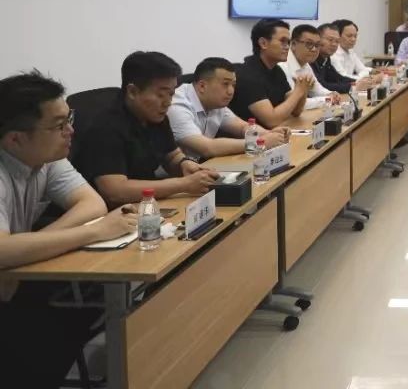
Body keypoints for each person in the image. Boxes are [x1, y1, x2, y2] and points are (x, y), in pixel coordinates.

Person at [0, 71, 139, 388]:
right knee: (50, 322)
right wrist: (94, 232)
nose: (71, 131)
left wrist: (20, 255)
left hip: (8, 281)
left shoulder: (46, 157)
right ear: (15, 139)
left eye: (69, 119)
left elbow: (92, 204)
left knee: (85, 301)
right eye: (59, 125)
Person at [76, 51, 220, 207]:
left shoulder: (156, 116)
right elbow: (115, 191)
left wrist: (185, 164)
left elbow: (171, 156)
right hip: (112, 212)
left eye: (171, 94)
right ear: (132, 92)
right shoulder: (105, 127)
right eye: (161, 95)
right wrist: (184, 184)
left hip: (147, 203)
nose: (168, 103)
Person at [168, 57, 287, 159]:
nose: (231, 91)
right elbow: (207, 148)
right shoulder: (177, 105)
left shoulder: (214, 102)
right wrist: (258, 143)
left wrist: (271, 134)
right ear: (202, 86)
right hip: (176, 175)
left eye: (233, 85)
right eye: (225, 84)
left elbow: (242, 127)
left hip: (202, 166)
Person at [231, 18, 314, 126]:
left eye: (288, 42)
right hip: (247, 135)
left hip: (271, 133)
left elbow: (296, 111)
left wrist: (303, 89)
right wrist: (299, 91)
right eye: (283, 41)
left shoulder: (277, 70)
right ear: (263, 43)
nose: (287, 47)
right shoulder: (247, 74)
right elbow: (271, 121)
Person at [280, 24, 339, 110]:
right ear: (293, 44)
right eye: (309, 44)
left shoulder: (305, 64)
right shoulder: (282, 66)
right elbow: (295, 103)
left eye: (317, 45)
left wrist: (331, 94)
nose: (314, 49)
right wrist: (327, 99)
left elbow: (317, 90)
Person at [313, 24, 370, 95]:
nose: (334, 44)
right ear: (318, 40)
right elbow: (322, 86)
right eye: (330, 40)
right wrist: (353, 87)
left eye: (337, 41)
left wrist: (360, 82)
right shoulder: (311, 59)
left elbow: (337, 78)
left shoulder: (326, 58)